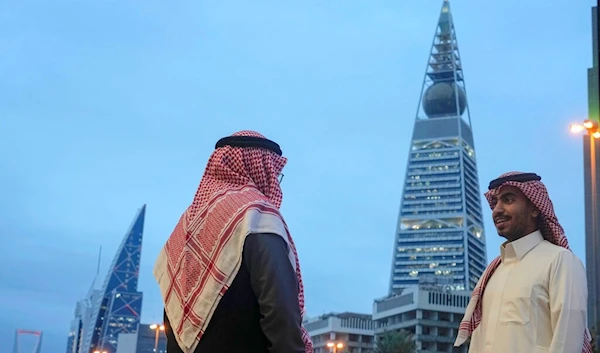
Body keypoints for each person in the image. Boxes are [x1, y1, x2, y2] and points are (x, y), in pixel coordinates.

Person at [153, 130, 313, 353]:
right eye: (275, 174)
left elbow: (171, 318)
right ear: (261, 168)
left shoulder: (186, 225)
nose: (275, 182)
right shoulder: (257, 216)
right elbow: (280, 311)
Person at [454, 171, 593, 353]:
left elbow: (567, 344)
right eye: (495, 203)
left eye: (508, 200)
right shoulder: (492, 273)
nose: (497, 210)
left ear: (535, 208)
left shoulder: (560, 261)